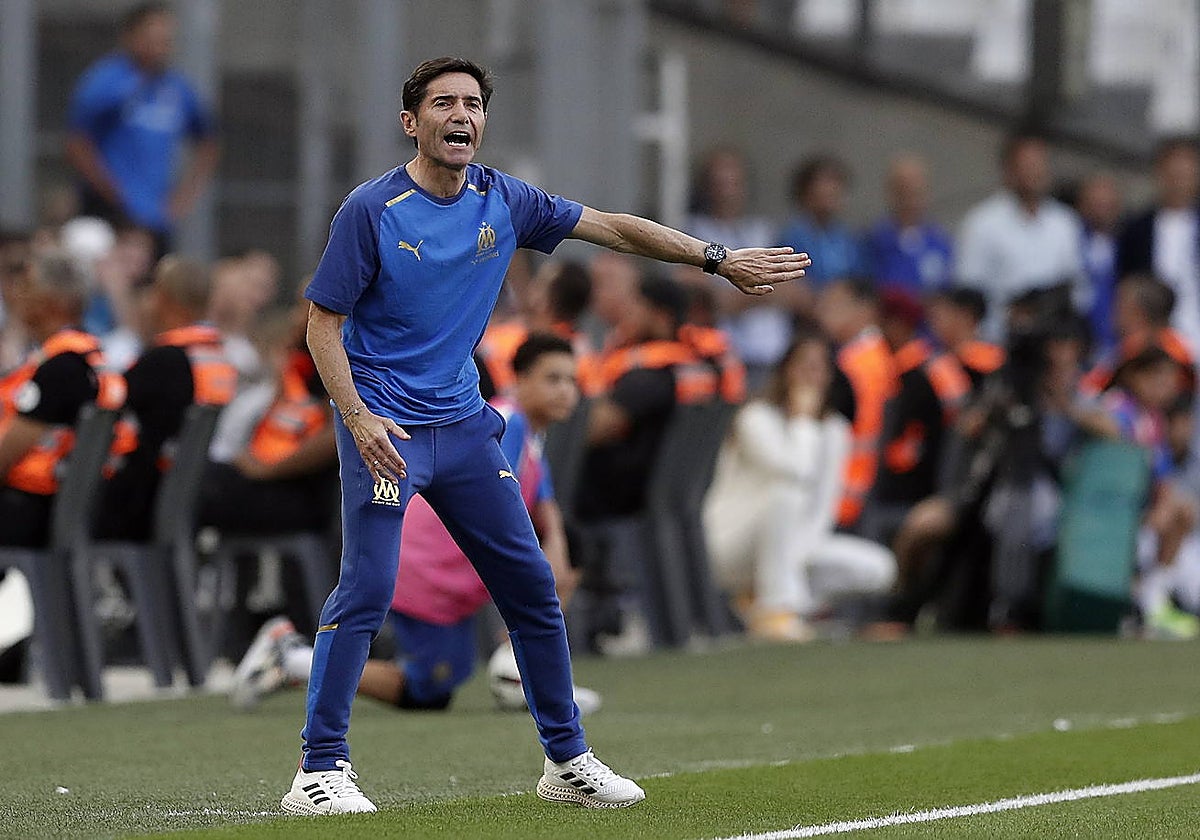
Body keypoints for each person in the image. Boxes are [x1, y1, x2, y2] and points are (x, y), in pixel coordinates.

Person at [288, 56, 810, 815]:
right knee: (367, 586)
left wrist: (718, 259)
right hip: (388, 431)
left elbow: (614, 229)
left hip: (464, 425)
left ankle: (566, 762)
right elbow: (321, 326)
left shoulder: (507, 199)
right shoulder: (372, 210)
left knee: (533, 587)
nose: (461, 115)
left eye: (472, 103)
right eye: (443, 104)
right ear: (412, 123)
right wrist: (359, 418)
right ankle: (318, 771)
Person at [232, 333, 600, 712]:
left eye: (572, 381)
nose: (565, 391)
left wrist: (555, 549)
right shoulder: (504, 422)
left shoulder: (530, 439)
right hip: (429, 570)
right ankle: (292, 660)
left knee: (433, 687)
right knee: (427, 687)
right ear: (520, 379)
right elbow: (497, 507)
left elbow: (546, 508)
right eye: (552, 379)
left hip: (454, 579)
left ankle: (526, 671)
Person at [703, 327, 896, 642]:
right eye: (803, 364)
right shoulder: (756, 417)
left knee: (879, 568)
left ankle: (774, 599)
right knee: (786, 494)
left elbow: (823, 508)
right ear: (785, 370)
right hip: (730, 544)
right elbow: (796, 471)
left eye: (819, 367)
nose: (811, 374)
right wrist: (803, 418)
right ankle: (777, 607)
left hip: (787, 549)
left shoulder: (836, 429)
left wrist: (790, 563)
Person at [97, 255, 236, 540]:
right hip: (194, 487)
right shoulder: (215, 353)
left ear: (163, 298)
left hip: (147, 498)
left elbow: (104, 401)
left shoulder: (164, 361)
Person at [64, 2, 218, 256]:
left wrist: (182, 198)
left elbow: (208, 142)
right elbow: (77, 141)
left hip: (156, 215)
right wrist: (111, 193)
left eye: (166, 40)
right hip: (110, 212)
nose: (160, 47)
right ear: (130, 37)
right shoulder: (106, 82)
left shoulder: (176, 89)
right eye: (152, 38)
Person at [0, 251, 126, 548]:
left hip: (29, 510)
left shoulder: (61, 369)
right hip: (64, 507)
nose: (18, 293)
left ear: (55, 303)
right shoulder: (87, 356)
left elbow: (4, 458)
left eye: (28, 285)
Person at [956, 132, 1085, 340]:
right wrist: (1007, 314)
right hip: (997, 342)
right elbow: (968, 290)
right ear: (1009, 170)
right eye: (1027, 165)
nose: (1035, 172)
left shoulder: (1065, 223)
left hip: (1049, 343)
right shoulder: (982, 223)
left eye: (1039, 164)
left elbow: (1077, 287)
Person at [815, 277, 898, 531]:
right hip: (855, 488)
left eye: (835, 304)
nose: (823, 312)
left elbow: (864, 432)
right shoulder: (869, 355)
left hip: (847, 490)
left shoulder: (861, 364)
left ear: (865, 309)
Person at [1116, 137, 1200, 354]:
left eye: (1186, 175)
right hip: (1151, 335)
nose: (1179, 182)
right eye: (1174, 175)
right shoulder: (1137, 229)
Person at [863, 154, 953, 296]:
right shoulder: (875, 240)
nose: (911, 201)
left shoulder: (939, 240)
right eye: (904, 193)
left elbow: (946, 287)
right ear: (891, 194)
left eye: (917, 193)